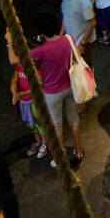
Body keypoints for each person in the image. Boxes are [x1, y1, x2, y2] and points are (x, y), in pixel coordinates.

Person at [29, 13, 84, 165]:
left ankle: (60, 158)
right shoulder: (69, 39)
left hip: (53, 92)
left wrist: (9, 42)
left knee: (57, 124)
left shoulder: (41, 50)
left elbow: (15, 59)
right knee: (74, 118)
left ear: (41, 33)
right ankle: (78, 150)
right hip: (70, 86)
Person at [8, 42, 46, 159]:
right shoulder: (21, 65)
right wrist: (15, 93)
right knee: (31, 124)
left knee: (40, 124)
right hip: (23, 102)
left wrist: (19, 94)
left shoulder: (39, 69)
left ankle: (45, 144)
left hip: (35, 102)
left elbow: (37, 88)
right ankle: (38, 142)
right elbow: (14, 79)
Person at [56, 0, 96, 69]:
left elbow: (92, 23)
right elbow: (66, 16)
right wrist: (60, 36)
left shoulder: (83, 0)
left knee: (85, 71)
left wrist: (82, 44)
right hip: (71, 42)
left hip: (82, 44)